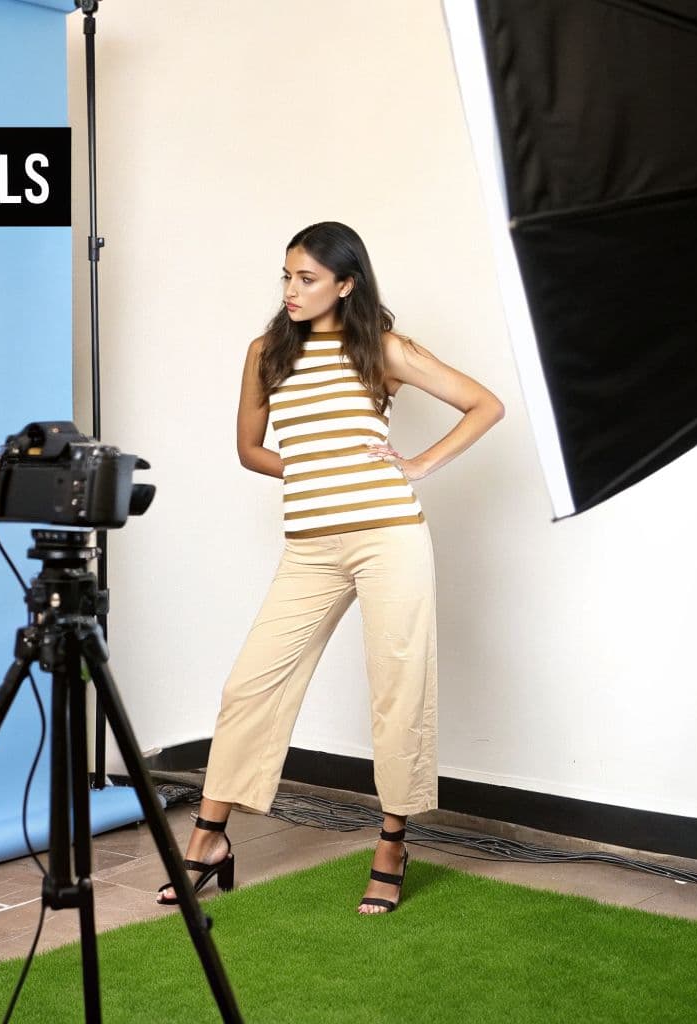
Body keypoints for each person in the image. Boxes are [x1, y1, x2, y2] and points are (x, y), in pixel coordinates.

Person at [159, 221, 503, 914]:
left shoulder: (380, 347)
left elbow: (484, 405)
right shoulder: (266, 353)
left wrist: (419, 465)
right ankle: (209, 838)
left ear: (345, 284)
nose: (292, 290)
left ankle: (391, 842)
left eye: (308, 278)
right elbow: (250, 450)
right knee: (250, 685)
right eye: (287, 276)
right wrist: (314, 468)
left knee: (397, 691)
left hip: (389, 536)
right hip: (311, 546)